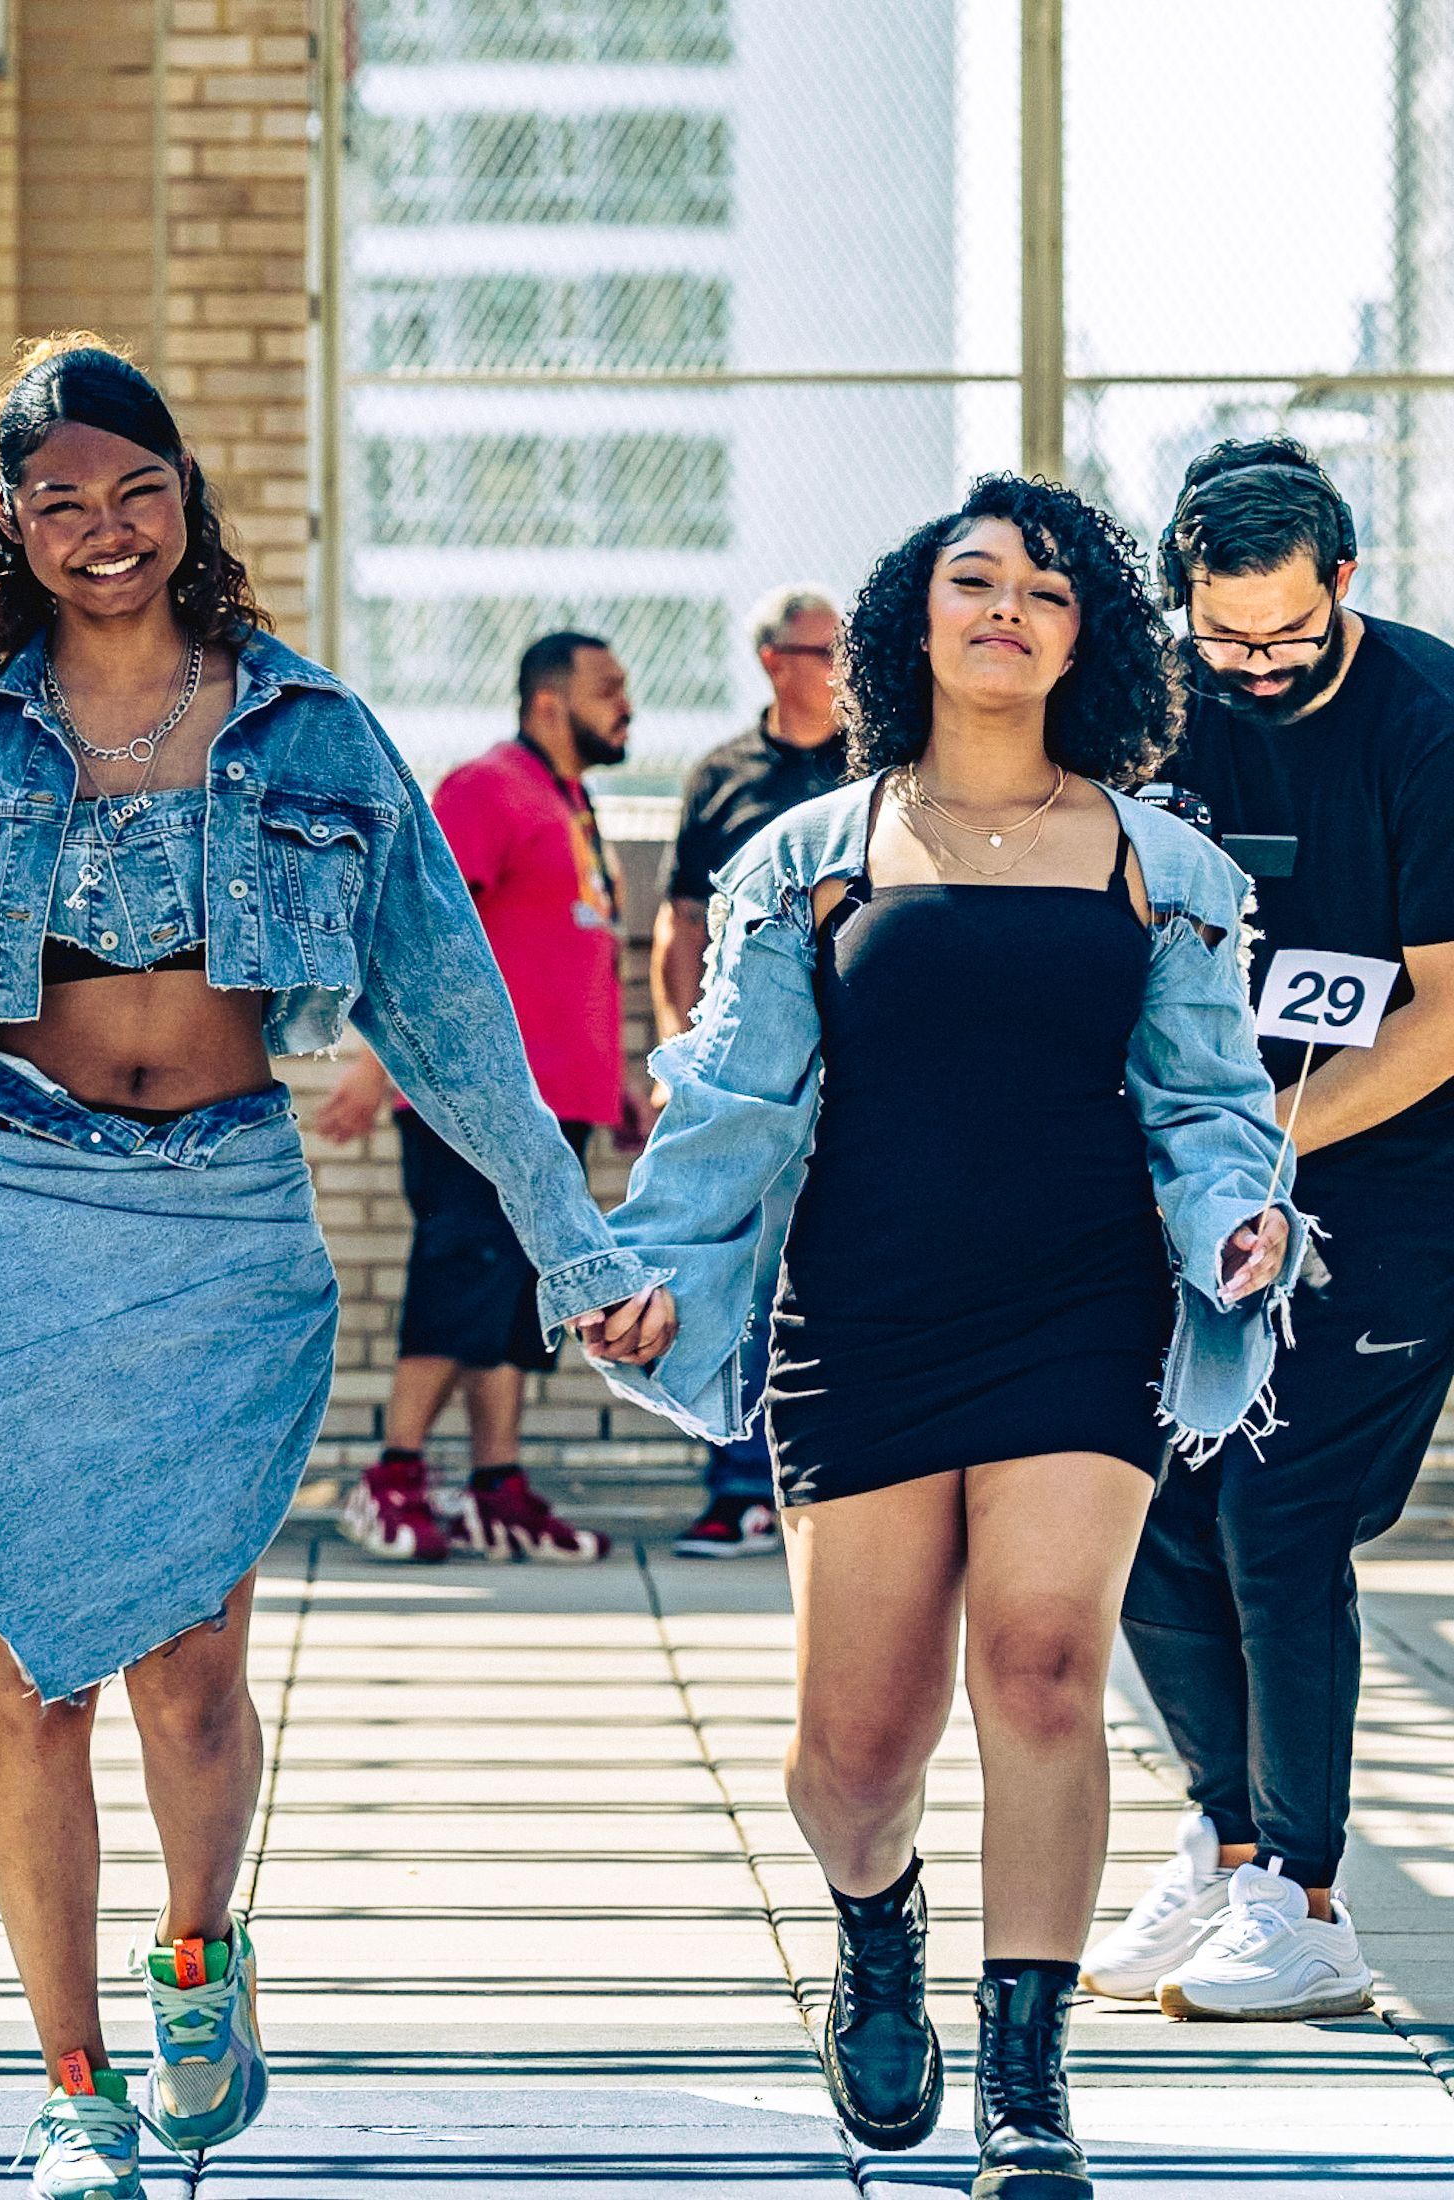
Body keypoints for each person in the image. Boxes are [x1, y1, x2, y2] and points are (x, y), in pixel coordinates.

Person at [0, 336, 673, 2200]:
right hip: (14, 1207)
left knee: (188, 1671)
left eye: (136, 491)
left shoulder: (316, 734)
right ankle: (72, 2091)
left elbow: (447, 1001)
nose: (106, 531)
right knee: (33, 1677)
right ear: (10, 524)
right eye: (63, 502)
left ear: (187, 501)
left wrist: (569, 1240)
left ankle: (197, 1955)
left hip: (227, 1217)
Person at [583, 475, 1303, 2200]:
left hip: (1085, 1306)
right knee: (853, 1751)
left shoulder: (1163, 867)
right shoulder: (809, 861)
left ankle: (1030, 2081)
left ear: (1088, 640)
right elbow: (733, 1115)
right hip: (870, 1311)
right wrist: (665, 1274)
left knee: (1047, 1666)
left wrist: (1238, 1218)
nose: (1008, 609)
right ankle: (880, 1925)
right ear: (917, 621)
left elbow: (1208, 1103)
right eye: (973, 581)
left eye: (1048, 592)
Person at [1085, 439, 1454, 2022]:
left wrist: (1256, 1147)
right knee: (1150, 1506)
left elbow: (1440, 1021)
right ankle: (1227, 1843)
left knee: (1279, 1516)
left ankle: (1309, 1902)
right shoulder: (1156, 704)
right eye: (1224, 639)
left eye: (1286, 639)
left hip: (1381, 1180)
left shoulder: (1426, 723)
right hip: (1179, 1180)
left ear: (1346, 586)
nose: (1253, 670)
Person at [316, 631, 649, 1564]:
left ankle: (496, 1488)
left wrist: (616, 1078)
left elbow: (574, 957)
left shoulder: (573, 802)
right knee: (461, 1284)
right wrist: (376, 1072)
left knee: (515, 1302)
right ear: (550, 700)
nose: (629, 707)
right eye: (609, 689)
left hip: (559, 1109)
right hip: (476, 1110)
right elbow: (420, 945)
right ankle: (392, 1478)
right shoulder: (487, 788)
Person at [652, 584, 847, 1558]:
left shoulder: (879, 765)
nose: (839, 668)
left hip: (861, 1071)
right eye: (822, 652)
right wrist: (677, 1058)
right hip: (750, 1070)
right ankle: (735, 1484)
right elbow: (681, 921)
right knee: (735, 1262)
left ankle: (829, 1475)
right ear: (774, 661)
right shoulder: (721, 775)